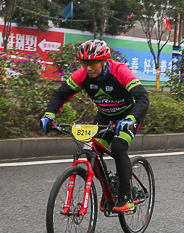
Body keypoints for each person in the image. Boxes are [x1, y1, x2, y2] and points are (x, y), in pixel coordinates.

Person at [40, 39, 150, 213]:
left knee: (119, 147)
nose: (88, 67)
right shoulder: (82, 75)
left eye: (92, 63)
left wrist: (131, 119)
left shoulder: (120, 71)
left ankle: (126, 197)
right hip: (104, 117)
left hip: (127, 118)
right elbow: (60, 94)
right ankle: (110, 187)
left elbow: (143, 98)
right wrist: (49, 115)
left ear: (104, 61)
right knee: (90, 151)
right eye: (84, 63)